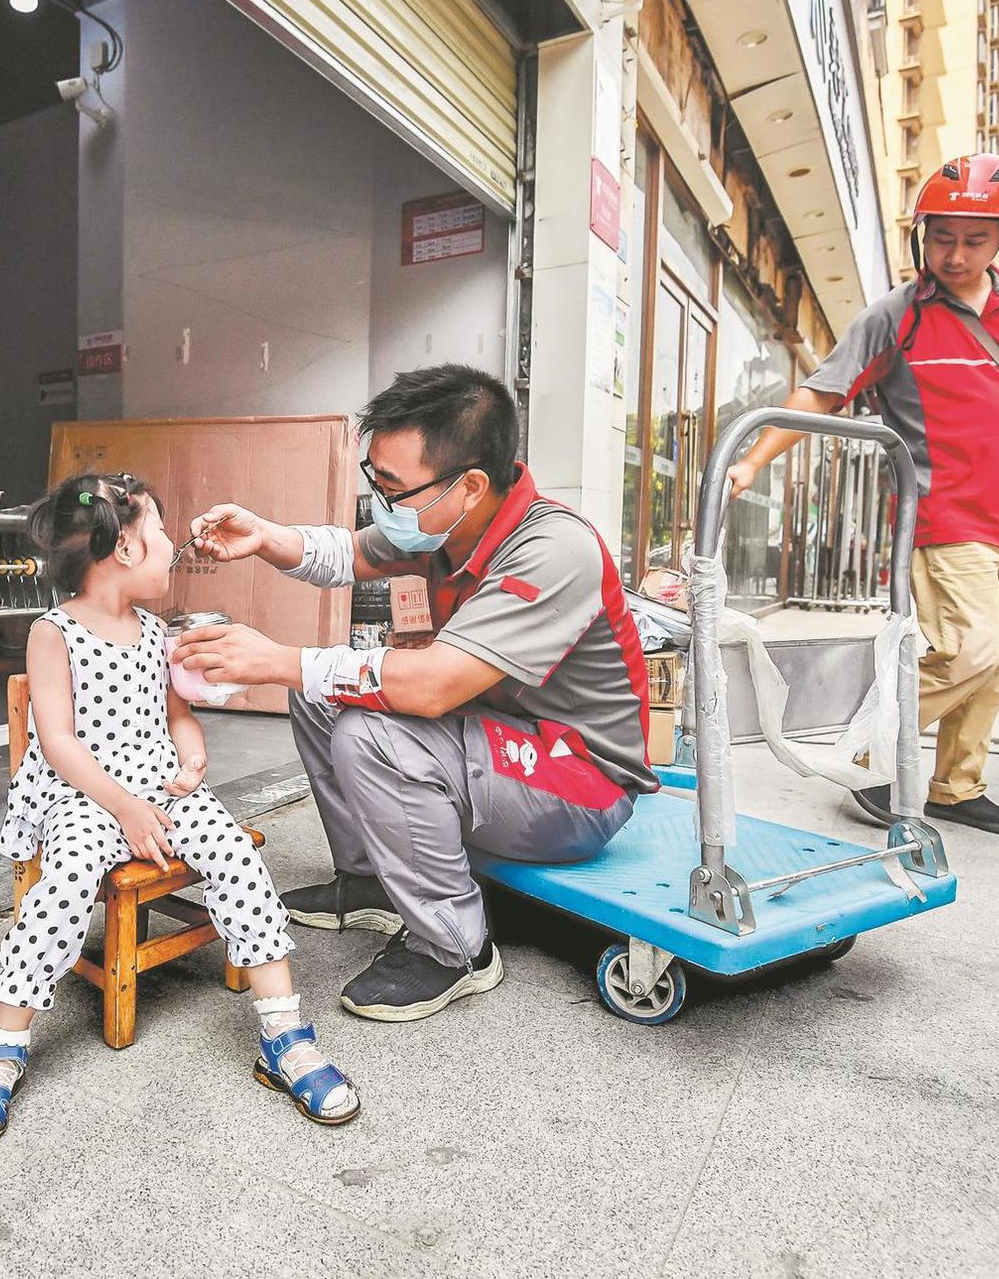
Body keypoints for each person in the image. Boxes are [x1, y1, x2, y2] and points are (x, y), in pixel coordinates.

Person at [173, 365, 657, 1023]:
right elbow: (347, 552)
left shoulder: (552, 549)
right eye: (374, 478)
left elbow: (432, 689)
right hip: (501, 734)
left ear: (471, 485)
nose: (380, 498)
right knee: (321, 694)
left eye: (392, 486)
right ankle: (372, 881)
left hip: (580, 779)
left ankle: (456, 946)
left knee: (367, 729)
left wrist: (278, 659)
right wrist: (264, 536)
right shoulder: (445, 524)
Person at [0, 473, 357, 1146]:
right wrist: (125, 807)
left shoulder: (157, 631)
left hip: (159, 787)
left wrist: (192, 760)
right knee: (68, 875)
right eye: (161, 531)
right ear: (126, 550)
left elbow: (178, 714)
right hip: (86, 794)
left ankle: (285, 1032)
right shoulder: (54, 633)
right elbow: (60, 742)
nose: (173, 544)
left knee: (239, 857)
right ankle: (1, 1043)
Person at [723, 152, 999, 839]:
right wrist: (753, 460)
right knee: (970, 648)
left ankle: (958, 786)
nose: (954, 254)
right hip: (944, 512)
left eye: (974, 239)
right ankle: (869, 755)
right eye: (940, 236)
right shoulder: (895, 317)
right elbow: (823, 387)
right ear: (920, 233)